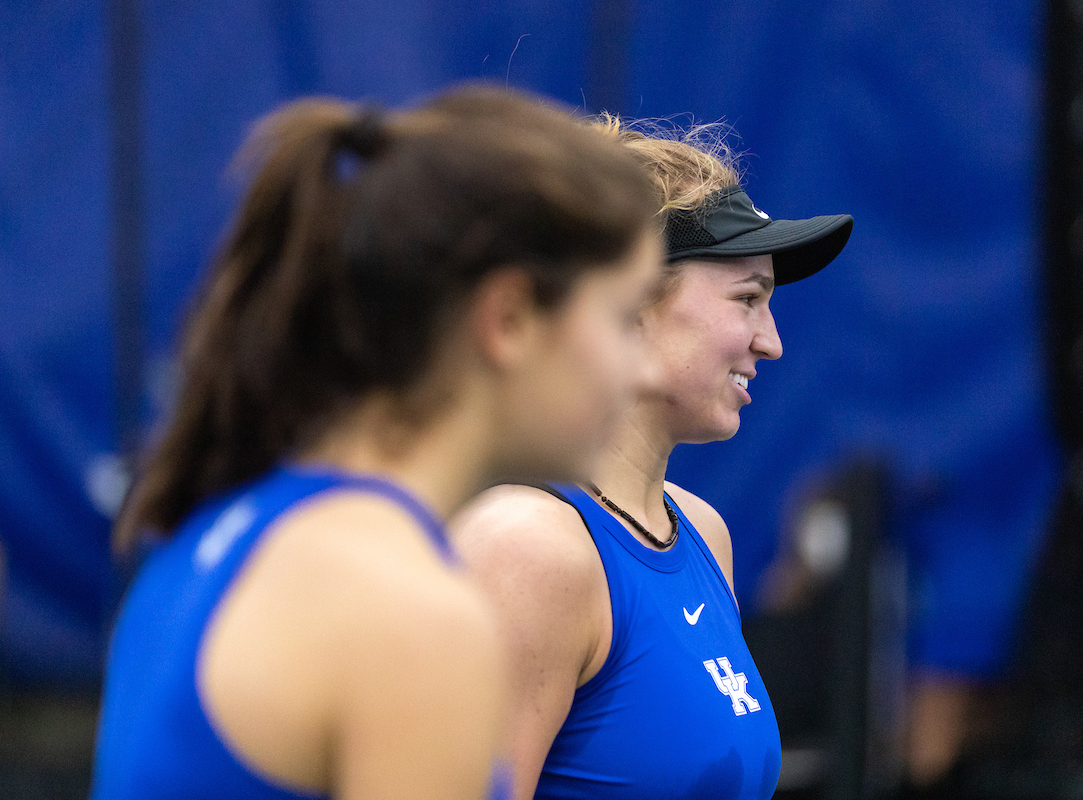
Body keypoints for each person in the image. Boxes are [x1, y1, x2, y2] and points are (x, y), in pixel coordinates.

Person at [90, 86, 664, 800]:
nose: (640, 368)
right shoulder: (411, 616)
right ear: (510, 319)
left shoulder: (222, 529)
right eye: (623, 317)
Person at [451, 118, 853, 800]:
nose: (771, 342)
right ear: (633, 303)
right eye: (748, 300)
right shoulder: (528, 550)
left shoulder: (703, 533)